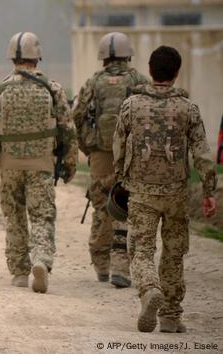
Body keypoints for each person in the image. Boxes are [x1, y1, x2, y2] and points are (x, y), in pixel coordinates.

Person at [113, 46, 217, 333]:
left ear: (149, 70)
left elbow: (119, 147)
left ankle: (148, 289)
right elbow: (203, 155)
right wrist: (209, 192)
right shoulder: (188, 109)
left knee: (141, 249)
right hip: (176, 195)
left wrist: (120, 179)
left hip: (142, 192)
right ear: (176, 72)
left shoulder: (131, 105)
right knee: (173, 252)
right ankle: (170, 316)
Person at [0, 32, 78, 293]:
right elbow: (68, 129)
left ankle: (20, 271)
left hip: (9, 166)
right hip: (41, 165)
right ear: (37, 57)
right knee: (42, 216)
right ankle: (41, 259)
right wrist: (71, 162)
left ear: (12, 57)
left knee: (15, 216)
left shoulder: (0, 91)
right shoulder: (52, 90)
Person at [72, 32, 150, 288]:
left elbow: (77, 116)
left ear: (103, 56)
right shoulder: (139, 80)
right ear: (129, 54)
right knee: (127, 205)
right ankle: (122, 265)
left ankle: (102, 263)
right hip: (132, 154)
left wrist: (88, 146)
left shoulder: (94, 81)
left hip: (101, 154)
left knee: (101, 204)